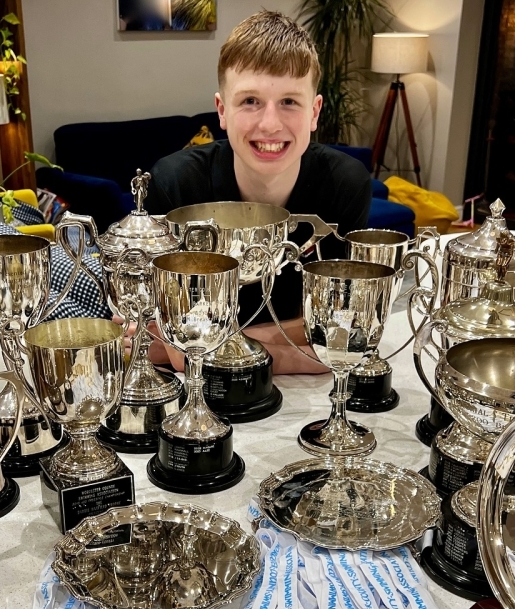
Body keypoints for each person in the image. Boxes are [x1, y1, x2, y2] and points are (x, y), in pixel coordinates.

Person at [147, 10, 372, 374]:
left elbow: (343, 333)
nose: (270, 124)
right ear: (222, 110)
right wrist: (300, 346)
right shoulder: (176, 185)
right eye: (250, 101)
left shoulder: (345, 184)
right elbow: (152, 343)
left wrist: (216, 345)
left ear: (314, 113)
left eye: (289, 102)